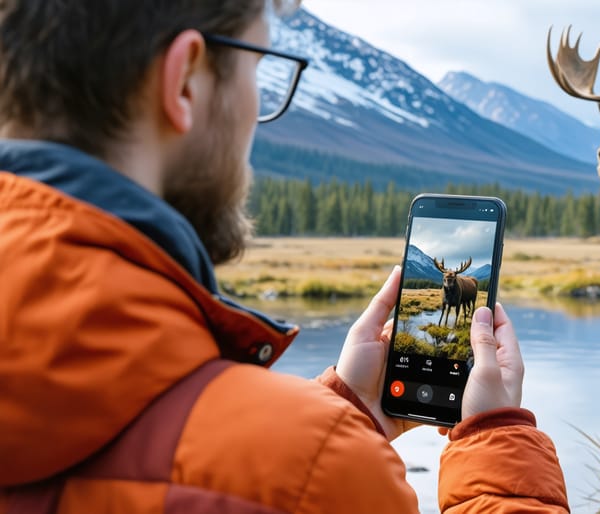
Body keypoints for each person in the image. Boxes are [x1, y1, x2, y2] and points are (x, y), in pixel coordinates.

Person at [0, 1, 569, 512]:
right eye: (259, 73)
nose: (257, 115)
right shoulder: (318, 478)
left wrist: (351, 414)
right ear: (185, 82)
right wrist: (496, 443)